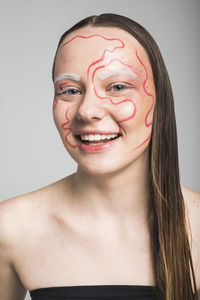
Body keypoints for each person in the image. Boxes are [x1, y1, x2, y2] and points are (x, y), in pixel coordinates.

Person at [0, 13, 199, 300]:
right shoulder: (11, 227)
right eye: (69, 90)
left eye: (117, 87)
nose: (86, 110)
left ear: (159, 101)